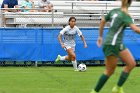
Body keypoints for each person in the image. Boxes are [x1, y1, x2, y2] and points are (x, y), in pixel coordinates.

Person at [90, 0, 140, 93]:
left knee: (131, 63)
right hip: (113, 44)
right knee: (109, 71)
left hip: (116, 43)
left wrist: (100, 36)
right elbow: (135, 29)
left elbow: (103, 21)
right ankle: (94, 91)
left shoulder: (114, 11)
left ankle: (117, 88)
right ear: (130, 3)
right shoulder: (125, 15)